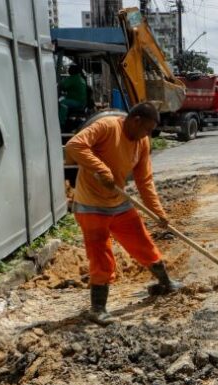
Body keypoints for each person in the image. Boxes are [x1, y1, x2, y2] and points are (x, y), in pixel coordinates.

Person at [65, 103, 182, 325]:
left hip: (119, 203)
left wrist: (158, 212)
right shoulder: (107, 127)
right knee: (101, 256)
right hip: (91, 205)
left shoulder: (142, 142)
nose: (148, 135)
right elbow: (74, 145)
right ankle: (98, 309)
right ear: (135, 120)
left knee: (143, 243)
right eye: (146, 129)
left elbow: (144, 180)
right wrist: (101, 169)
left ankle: (165, 283)